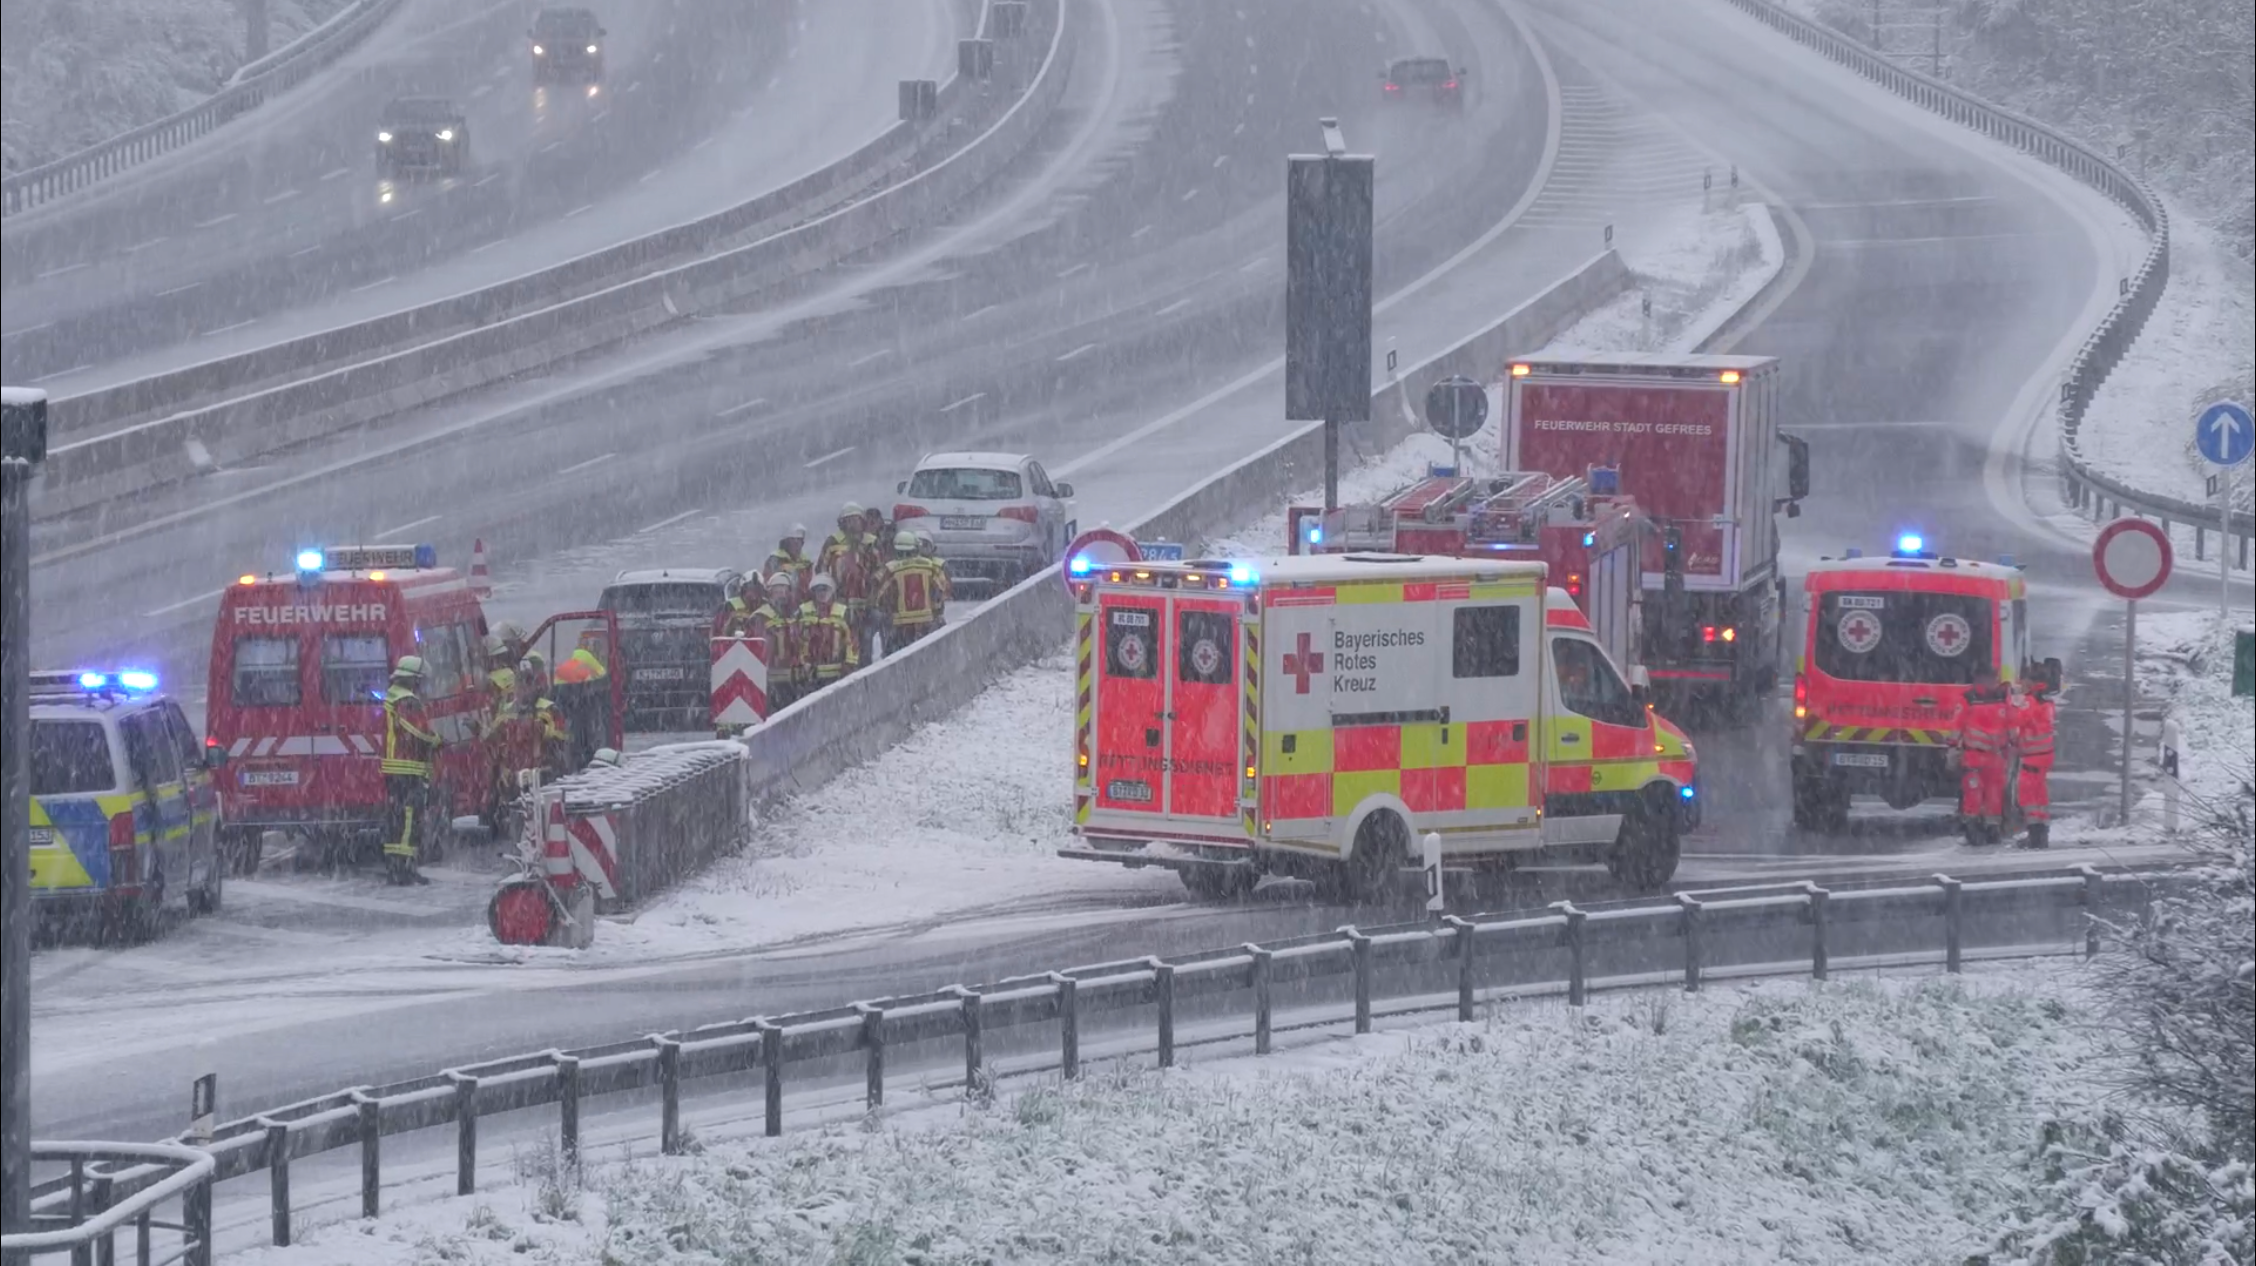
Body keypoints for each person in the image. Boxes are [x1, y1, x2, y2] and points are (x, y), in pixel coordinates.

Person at [381, 656, 441, 885]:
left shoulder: (393, 696)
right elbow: (420, 731)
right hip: (407, 768)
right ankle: (403, 869)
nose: (422, 686)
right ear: (413, 680)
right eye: (420, 682)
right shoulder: (407, 701)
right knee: (408, 820)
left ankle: (397, 866)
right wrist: (436, 740)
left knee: (398, 820)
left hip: (396, 769)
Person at [1955, 665, 2012, 840]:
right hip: (1981, 756)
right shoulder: (1997, 698)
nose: (1994, 681)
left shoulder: (1971, 698)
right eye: (1992, 678)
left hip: (1989, 756)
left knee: (1989, 793)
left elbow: (1957, 724)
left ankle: (1988, 828)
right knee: (1978, 793)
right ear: (1981, 678)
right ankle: (1978, 829)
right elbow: (1957, 725)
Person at [875, 530, 949, 651]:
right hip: (926, 624)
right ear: (916, 549)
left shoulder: (891, 570)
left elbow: (881, 598)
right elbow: (941, 590)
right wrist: (935, 610)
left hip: (900, 626)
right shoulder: (930, 567)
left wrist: (888, 610)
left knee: (895, 656)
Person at [2009, 670, 2056, 849]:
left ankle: (2035, 835)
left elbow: (2019, 720)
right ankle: (2041, 834)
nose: (2022, 685)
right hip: (2045, 755)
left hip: (2032, 757)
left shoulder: (2030, 702)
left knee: (2028, 798)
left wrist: (2015, 705)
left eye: (2025, 683)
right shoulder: (2048, 703)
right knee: (2040, 796)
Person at [796, 573, 859, 688]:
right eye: (819, 590)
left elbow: (852, 640)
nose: (822, 593)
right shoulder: (803, 611)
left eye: (825, 590)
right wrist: (802, 663)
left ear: (832, 591)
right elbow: (796, 640)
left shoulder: (843, 611)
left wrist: (850, 664)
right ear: (814, 592)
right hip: (810, 674)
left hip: (837, 674)